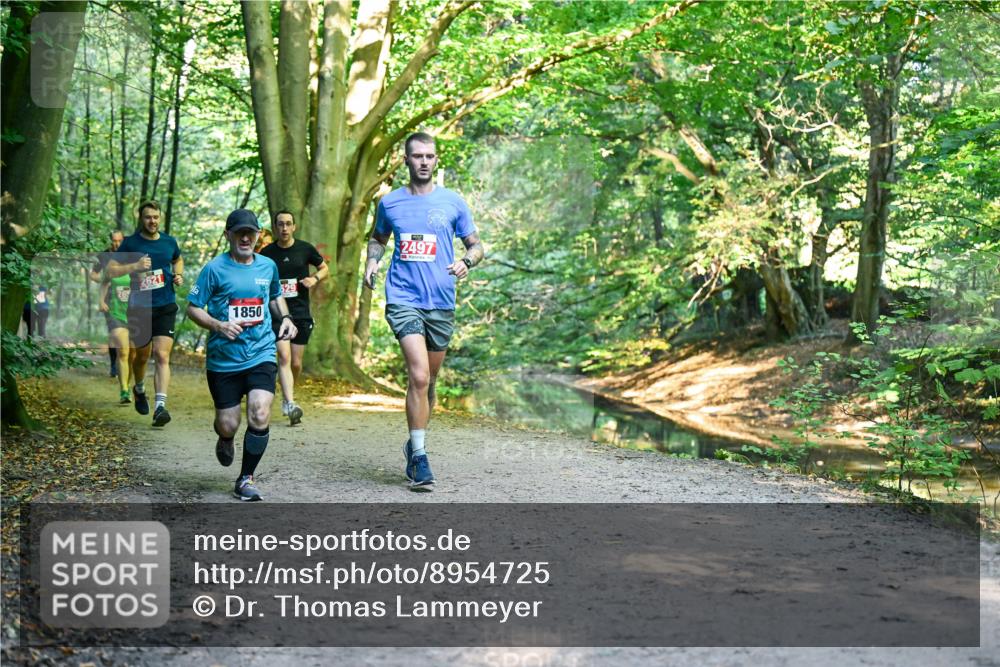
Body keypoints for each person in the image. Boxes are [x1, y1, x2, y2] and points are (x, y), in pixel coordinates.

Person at [363, 132, 484, 489]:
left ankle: (413, 442)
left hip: (441, 301)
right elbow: (377, 239)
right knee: (418, 376)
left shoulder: (453, 203)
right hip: (403, 297)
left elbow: (477, 246)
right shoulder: (390, 203)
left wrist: (466, 262)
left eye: (429, 156)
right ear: (406, 160)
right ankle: (419, 456)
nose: (424, 162)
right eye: (417, 156)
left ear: (436, 159)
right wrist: (371, 263)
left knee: (429, 383)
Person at [186, 209, 296, 501]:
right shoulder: (214, 269)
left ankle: (246, 478)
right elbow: (193, 307)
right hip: (224, 359)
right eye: (239, 233)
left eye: (251, 233)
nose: (246, 238)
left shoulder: (268, 266)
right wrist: (217, 325)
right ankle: (225, 437)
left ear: (259, 236)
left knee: (260, 411)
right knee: (228, 423)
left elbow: (274, 297)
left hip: (260, 352)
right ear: (228, 235)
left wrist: (285, 317)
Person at [105, 201, 184, 427]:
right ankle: (139, 388)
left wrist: (178, 274)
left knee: (161, 355)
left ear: (161, 217)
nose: (153, 221)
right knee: (141, 356)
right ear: (141, 218)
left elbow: (177, 259)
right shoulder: (130, 243)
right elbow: (110, 270)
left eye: (156, 217)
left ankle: (160, 406)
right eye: (148, 217)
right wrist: (134, 267)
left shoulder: (169, 242)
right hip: (139, 307)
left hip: (165, 305)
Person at [259, 210, 329, 425]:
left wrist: (314, 279)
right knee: (284, 357)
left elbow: (324, 267)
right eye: (280, 224)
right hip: (277, 313)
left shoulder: (305, 249)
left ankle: (288, 392)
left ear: (294, 227)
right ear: (276, 226)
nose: (284, 228)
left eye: (288, 224)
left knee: (296, 364)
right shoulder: (267, 253)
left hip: (300, 312)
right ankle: (290, 404)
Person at [91, 230, 126, 377]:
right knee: (113, 334)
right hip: (109, 299)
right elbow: (93, 274)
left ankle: (124, 363)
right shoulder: (103, 256)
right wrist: (105, 280)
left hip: (127, 299)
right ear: (110, 241)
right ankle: (113, 365)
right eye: (114, 241)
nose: (116, 244)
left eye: (119, 241)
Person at [99, 270, 132, 404]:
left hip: (136, 315)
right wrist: (101, 301)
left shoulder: (142, 265)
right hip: (116, 314)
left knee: (134, 356)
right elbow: (104, 282)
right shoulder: (113, 266)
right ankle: (124, 390)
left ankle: (132, 385)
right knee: (123, 352)